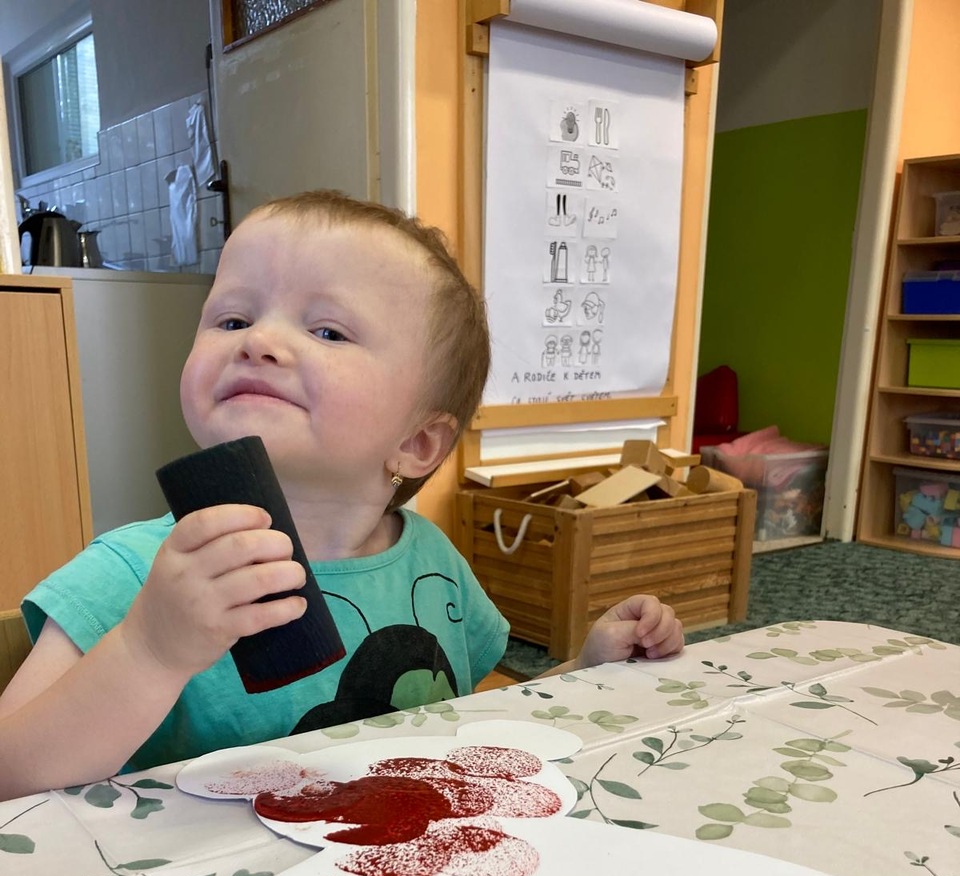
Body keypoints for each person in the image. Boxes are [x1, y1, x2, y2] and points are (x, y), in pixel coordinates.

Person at [0, 190, 683, 800]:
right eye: (232, 320)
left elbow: (468, 722)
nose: (260, 341)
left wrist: (583, 670)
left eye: (327, 331)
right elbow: (8, 777)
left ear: (418, 442)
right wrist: (150, 649)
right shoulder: (128, 576)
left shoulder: (430, 559)